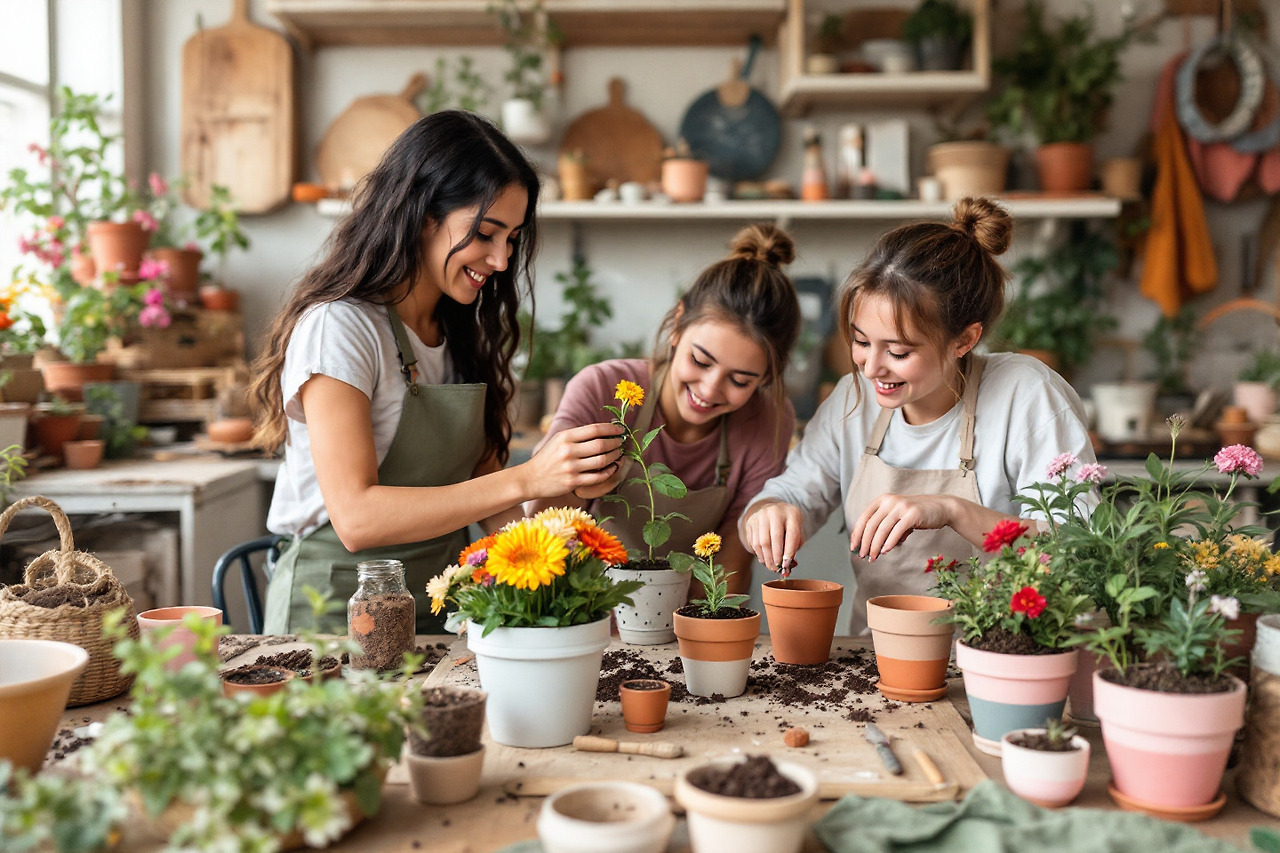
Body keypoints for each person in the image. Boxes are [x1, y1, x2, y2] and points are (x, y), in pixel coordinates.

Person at [251, 111, 624, 634]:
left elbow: (492, 505)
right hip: (335, 613)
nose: (500, 259)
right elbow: (356, 519)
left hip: (441, 609)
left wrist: (558, 556)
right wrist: (528, 476)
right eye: (485, 234)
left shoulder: (463, 333)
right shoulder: (340, 327)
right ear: (423, 213)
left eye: (512, 238)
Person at [740, 197, 1096, 634]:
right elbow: (795, 491)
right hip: (877, 660)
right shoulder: (855, 401)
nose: (871, 367)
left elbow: (1084, 550)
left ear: (964, 340)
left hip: (1001, 661)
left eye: (898, 351)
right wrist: (772, 511)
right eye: (860, 341)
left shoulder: (1024, 394)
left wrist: (953, 510)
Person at [526, 223, 802, 594]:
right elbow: (540, 524)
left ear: (768, 375)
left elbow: (731, 561)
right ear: (677, 324)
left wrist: (695, 640)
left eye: (740, 381)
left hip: (689, 625)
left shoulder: (768, 419)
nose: (709, 390)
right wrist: (581, 486)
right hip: (583, 615)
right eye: (700, 361)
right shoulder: (603, 390)